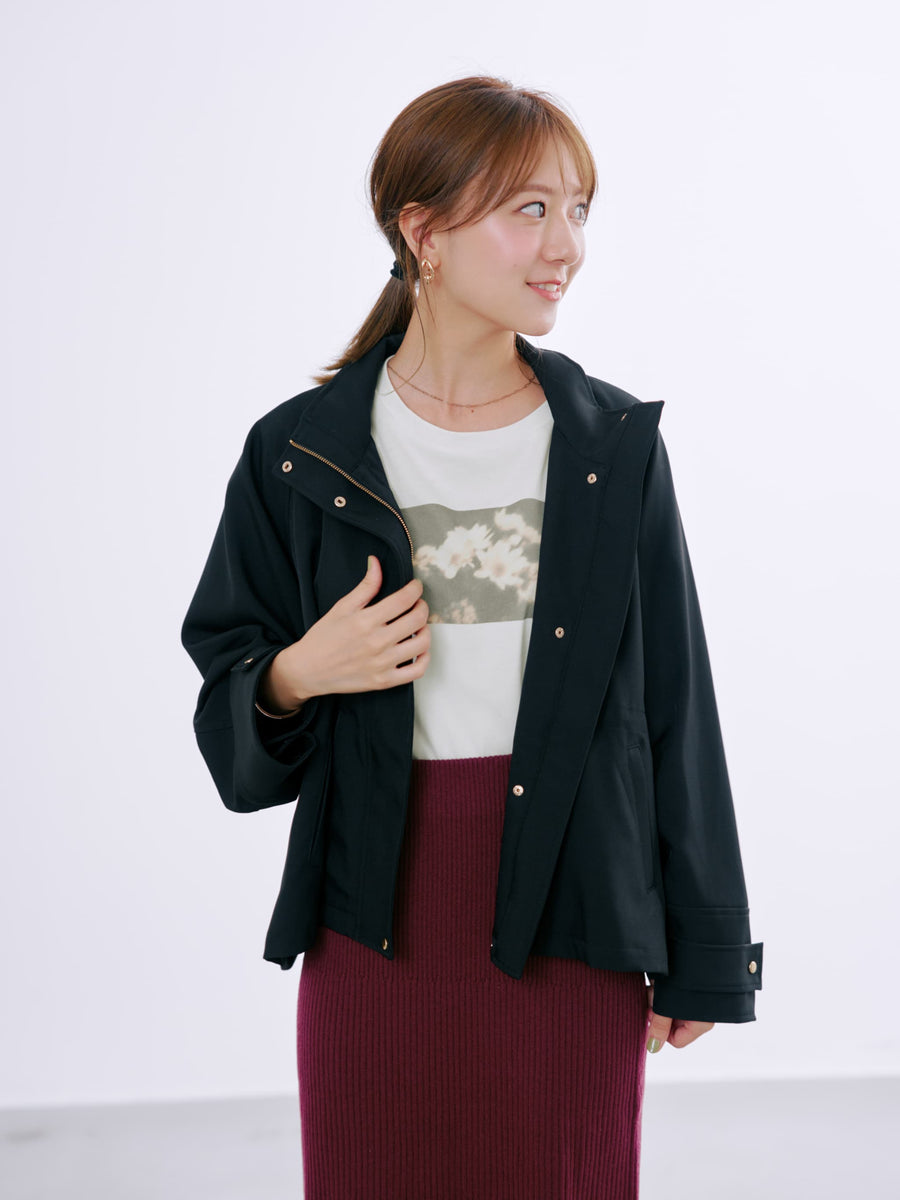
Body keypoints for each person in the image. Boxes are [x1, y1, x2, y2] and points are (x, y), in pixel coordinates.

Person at [181, 75, 763, 1200]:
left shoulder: (611, 445)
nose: (567, 246)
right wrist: (299, 674)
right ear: (424, 231)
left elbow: (675, 709)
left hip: (575, 909)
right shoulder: (299, 452)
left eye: (578, 209)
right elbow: (229, 724)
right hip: (371, 914)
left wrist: (707, 948)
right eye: (530, 209)